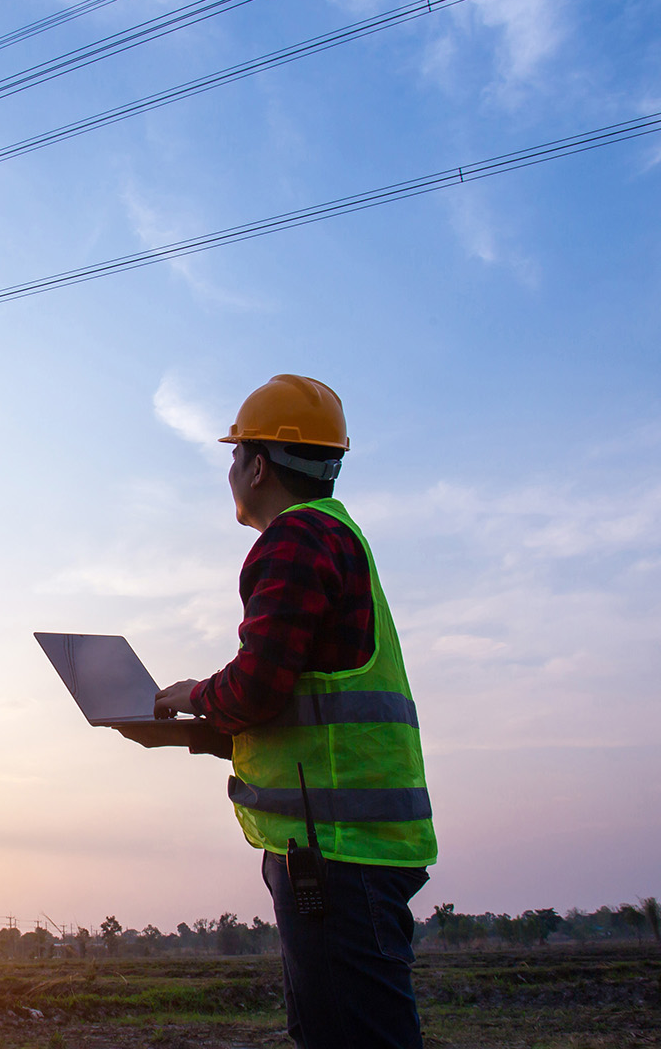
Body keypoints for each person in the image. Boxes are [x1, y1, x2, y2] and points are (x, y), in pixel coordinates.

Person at [153, 374, 435, 1049]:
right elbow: (301, 707)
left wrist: (194, 695)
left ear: (256, 464)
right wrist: (204, 739)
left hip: (335, 855)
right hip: (350, 852)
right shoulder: (339, 535)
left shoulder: (295, 540)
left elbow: (258, 685)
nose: (229, 472)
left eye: (233, 456)